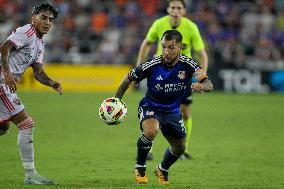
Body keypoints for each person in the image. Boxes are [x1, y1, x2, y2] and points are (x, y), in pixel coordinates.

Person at [115, 30, 213, 184]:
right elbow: (127, 79)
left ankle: (162, 168)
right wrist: (116, 101)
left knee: (180, 147)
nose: (166, 52)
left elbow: (209, 84)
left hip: (173, 111)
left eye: (171, 48)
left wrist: (200, 86)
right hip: (151, 106)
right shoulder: (152, 64)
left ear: (180, 47)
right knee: (151, 130)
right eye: (163, 47)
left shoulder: (188, 64)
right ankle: (140, 166)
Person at [136, 0, 208, 160]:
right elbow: (146, 43)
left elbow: (202, 54)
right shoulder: (159, 24)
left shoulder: (191, 27)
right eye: (173, 7)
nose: (175, 10)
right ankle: (148, 149)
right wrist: (139, 67)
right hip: (159, 73)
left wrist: (202, 79)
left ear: (184, 11)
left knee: (185, 112)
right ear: (168, 9)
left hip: (183, 75)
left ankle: (182, 150)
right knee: (153, 109)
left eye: (179, 8)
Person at [0, 3, 62, 185]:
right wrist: (7, 73)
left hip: (5, 82)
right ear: (33, 17)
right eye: (43, 17)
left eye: (50, 19)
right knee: (27, 124)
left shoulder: (39, 43)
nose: (47, 22)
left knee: (3, 127)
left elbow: (38, 72)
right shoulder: (26, 31)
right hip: (2, 82)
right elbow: (4, 48)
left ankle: (30, 175)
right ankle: (30, 175)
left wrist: (52, 83)